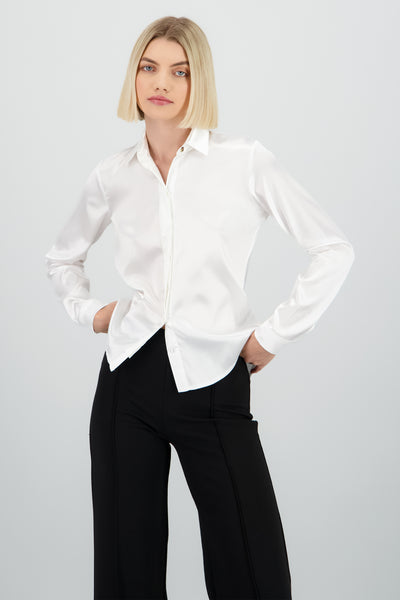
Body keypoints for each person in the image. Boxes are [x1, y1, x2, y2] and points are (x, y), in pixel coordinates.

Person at [44, 15, 355, 600]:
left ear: (199, 81)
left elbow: (333, 249)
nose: (161, 82)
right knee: (126, 577)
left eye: (180, 71)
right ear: (134, 77)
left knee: (254, 573)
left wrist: (272, 337)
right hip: (127, 381)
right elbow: (62, 258)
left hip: (213, 381)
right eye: (149, 67)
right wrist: (91, 313)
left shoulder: (245, 161)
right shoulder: (113, 175)